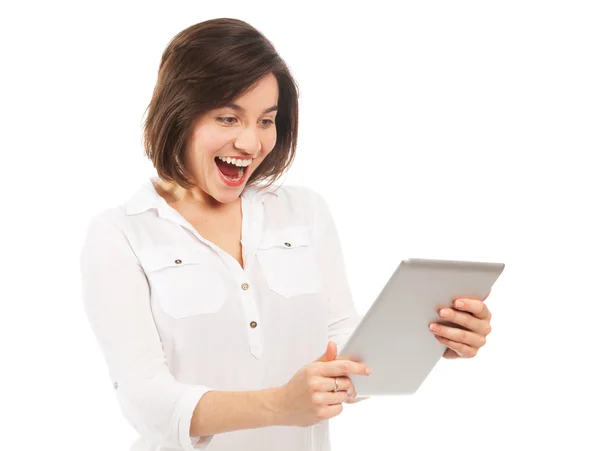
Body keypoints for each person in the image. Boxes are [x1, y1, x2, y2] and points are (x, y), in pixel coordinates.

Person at [79, 18, 494, 451]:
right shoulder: (120, 233)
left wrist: (430, 339)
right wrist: (279, 406)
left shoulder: (304, 212)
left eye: (266, 121)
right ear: (178, 112)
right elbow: (146, 401)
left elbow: (343, 352)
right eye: (228, 118)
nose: (251, 143)